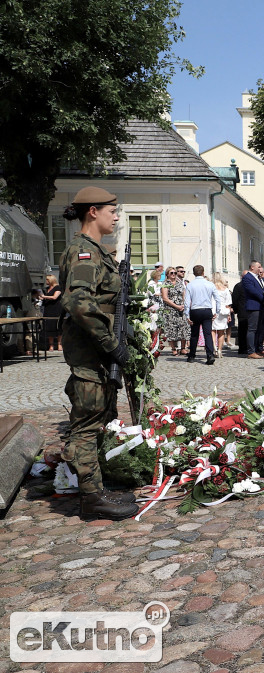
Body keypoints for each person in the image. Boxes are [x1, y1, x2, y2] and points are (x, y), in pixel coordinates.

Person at [58, 186, 139, 520]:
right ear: (92, 211)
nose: (116, 216)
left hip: (98, 351)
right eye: (112, 211)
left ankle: (97, 488)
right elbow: (78, 303)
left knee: (100, 416)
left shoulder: (98, 251)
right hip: (91, 351)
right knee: (87, 425)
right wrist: (112, 345)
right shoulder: (83, 251)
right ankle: (91, 499)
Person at [183, 264, 218, 365]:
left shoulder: (190, 285)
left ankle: (192, 355)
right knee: (208, 334)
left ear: (194, 274)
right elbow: (217, 299)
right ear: (203, 273)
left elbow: (186, 301)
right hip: (207, 310)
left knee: (194, 334)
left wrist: (187, 315)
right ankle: (210, 355)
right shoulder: (210, 284)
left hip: (195, 310)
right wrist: (217, 311)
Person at [160, 266, 189, 355]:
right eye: (171, 273)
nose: (174, 275)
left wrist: (184, 304)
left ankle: (183, 348)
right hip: (170, 309)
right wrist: (176, 306)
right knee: (171, 329)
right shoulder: (165, 283)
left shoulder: (180, 283)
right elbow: (165, 298)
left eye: (175, 273)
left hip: (181, 308)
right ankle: (173, 348)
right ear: (167, 274)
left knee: (183, 327)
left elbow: (184, 294)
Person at [242, 261, 264, 359]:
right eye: (258, 267)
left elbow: (263, 289)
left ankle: (257, 349)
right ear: (252, 267)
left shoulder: (257, 277)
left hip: (260, 306)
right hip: (253, 306)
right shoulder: (248, 277)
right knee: (252, 329)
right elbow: (253, 291)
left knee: (258, 329)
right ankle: (251, 351)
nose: (260, 269)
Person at [211, 272, 232, 357]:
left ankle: (214, 348)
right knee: (221, 331)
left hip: (213, 310)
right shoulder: (225, 289)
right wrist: (229, 314)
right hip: (223, 311)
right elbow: (228, 303)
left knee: (212, 331)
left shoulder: (211, 288)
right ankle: (219, 350)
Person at [41, 273, 63, 351]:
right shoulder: (47, 288)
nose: (46, 281)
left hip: (56, 308)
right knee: (49, 326)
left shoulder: (58, 288)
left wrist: (44, 296)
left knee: (57, 326)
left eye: (47, 279)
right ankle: (51, 345)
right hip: (48, 308)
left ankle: (59, 344)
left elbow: (55, 297)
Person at [231, 277, 249, 355]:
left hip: (245, 310)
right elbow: (235, 299)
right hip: (242, 311)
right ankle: (242, 348)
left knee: (245, 330)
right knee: (242, 330)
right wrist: (235, 309)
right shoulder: (239, 286)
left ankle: (245, 347)